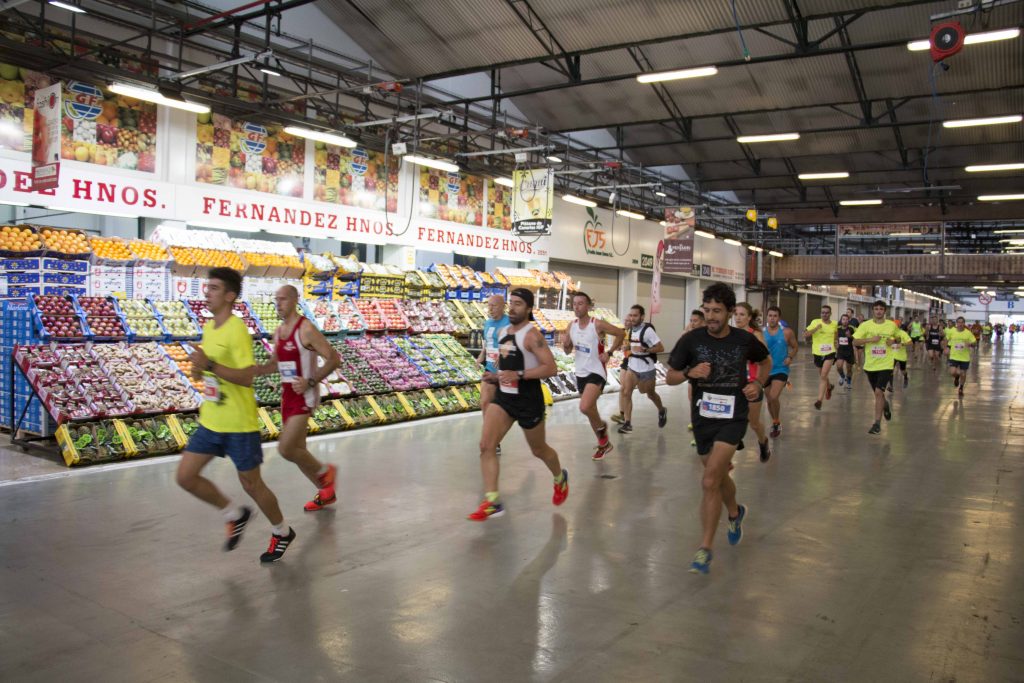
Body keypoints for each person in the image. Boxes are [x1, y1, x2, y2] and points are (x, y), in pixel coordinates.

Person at [176, 267, 295, 563]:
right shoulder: (209, 327)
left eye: (215, 288)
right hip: (212, 420)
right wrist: (197, 365)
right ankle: (235, 513)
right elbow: (204, 372)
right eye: (208, 287)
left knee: (252, 484)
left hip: (239, 424)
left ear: (230, 296)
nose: (208, 292)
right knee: (186, 476)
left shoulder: (237, 329)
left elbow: (245, 378)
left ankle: (282, 531)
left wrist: (211, 365)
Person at [666, 282, 770, 574]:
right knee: (718, 476)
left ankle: (705, 548)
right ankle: (736, 512)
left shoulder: (743, 340)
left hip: (733, 416)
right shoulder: (692, 340)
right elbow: (670, 376)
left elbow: (765, 362)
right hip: (703, 418)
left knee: (710, 481)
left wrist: (757, 384)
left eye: (717, 311)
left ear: (729, 312)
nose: (711, 316)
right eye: (707, 310)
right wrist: (689, 372)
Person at [468, 288, 569, 521]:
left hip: (528, 399)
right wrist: (495, 376)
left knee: (539, 450)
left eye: (518, 304)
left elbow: (551, 368)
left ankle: (559, 477)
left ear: (528, 308)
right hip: (504, 397)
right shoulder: (503, 331)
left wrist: (519, 374)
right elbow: (505, 363)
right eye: (511, 303)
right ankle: (492, 500)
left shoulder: (533, 335)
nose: (513, 308)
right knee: (486, 445)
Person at [258, 285, 341, 512]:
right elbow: (275, 364)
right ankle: (326, 493)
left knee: (286, 449)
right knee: (299, 452)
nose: (279, 303)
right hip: (287, 397)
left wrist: (311, 381)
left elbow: (334, 359)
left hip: (304, 396)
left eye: (283, 299)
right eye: (277, 299)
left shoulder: (306, 329)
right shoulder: (278, 332)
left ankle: (326, 474)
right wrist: (252, 371)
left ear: (295, 300)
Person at [562, 292, 625, 460]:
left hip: (596, 371)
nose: (577, 306)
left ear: (588, 306)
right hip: (580, 372)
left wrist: (610, 353)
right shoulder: (571, 326)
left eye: (581, 303)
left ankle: (602, 433)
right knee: (590, 410)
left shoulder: (596, 324)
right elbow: (567, 350)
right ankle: (604, 444)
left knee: (584, 406)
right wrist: (565, 343)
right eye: (574, 304)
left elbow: (621, 333)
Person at [614, 304, 667, 434]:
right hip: (632, 366)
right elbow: (632, 344)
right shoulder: (630, 329)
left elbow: (661, 348)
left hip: (646, 368)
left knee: (649, 394)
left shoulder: (648, 331)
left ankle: (661, 409)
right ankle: (627, 423)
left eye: (635, 315)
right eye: (631, 315)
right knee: (626, 392)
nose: (632, 318)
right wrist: (627, 348)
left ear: (642, 317)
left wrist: (646, 349)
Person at [853, 300, 900, 435]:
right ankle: (885, 405)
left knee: (879, 392)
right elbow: (855, 341)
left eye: (881, 309)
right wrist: (870, 340)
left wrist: (894, 341)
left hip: (886, 365)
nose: (878, 311)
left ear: (885, 311)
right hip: (870, 366)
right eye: (876, 309)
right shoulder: (865, 325)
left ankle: (877, 423)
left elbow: (899, 338)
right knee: (878, 394)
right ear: (872, 311)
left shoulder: (891, 325)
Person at [734, 303, 771, 462]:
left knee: (753, 422)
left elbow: (766, 359)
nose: (738, 317)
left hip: (752, 383)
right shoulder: (730, 334)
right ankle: (735, 437)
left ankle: (763, 442)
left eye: (742, 314)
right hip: (735, 383)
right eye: (736, 314)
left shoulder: (755, 335)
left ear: (749, 317)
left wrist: (758, 383)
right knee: (729, 416)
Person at [477, 294, 510, 455]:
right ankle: (490, 437)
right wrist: (482, 355)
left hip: (506, 371)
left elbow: (514, 341)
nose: (490, 309)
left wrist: (504, 353)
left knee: (504, 409)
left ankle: (495, 438)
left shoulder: (509, 322)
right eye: (489, 305)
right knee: (484, 402)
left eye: (494, 306)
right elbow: (487, 341)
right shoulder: (488, 322)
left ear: (503, 306)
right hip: (490, 368)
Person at [763, 305, 798, 440]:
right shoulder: (762, 332)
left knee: (773, 396)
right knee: (769, 400)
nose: (772, 318)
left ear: (779, 318)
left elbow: (795, 347)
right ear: (767, 317)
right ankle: (775, 421)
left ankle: (776, 423)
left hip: (781, 369)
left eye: (775, 316)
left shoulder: (787, 332)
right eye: (770, 315)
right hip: (766, 370)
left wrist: (790, 357)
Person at [805, 305, 838, 410]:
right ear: (820, 313)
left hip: (830, 352)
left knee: (823, 375)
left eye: (827, 312)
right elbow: (805, 334)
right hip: (817, 353)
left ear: (830, 314)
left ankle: (819, 400)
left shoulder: (834, 324)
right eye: (823, 312)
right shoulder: (815, 322)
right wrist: (816, 328)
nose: (824, 314)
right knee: (822, 375)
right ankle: (829, 387)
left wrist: (836, 343)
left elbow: (836, 335)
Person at [943, 316, 977, 398]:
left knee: (963, 374)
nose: (960, 324)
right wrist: (946, 348)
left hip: (964, 357)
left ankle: (961, 387)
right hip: (954, 356)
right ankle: (956, 377)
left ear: (964, 323)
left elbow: (975, 343)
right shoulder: (952, 332)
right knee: (952, 372)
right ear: (956, 323)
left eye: (962, 322)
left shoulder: (968, 333)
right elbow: (946, 339)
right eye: (959, 322)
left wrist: (970, 344)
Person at [888, 323, 913, 391]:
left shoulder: (903, 333)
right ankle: (891, 386)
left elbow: (910, 343)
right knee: (890, 370)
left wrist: (902, 344)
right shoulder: (890, 333)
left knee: (903, 371)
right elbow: (887, 342)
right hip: (892, 355)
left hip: (902, 356)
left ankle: (905, 377)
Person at [834, 313, 856, 389]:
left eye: (847, 320)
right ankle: (842, 376)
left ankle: (849, 382)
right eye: (843, 319)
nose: (845, 321)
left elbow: (856, 337)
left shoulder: (851, 329)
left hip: (849, 351)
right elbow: (835, 338)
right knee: (839, 366)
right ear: (841, 320)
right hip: (840, 351)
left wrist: (850, 336)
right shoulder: (837, 328)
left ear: (848, 321)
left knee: (849, 369)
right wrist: (835, 344)